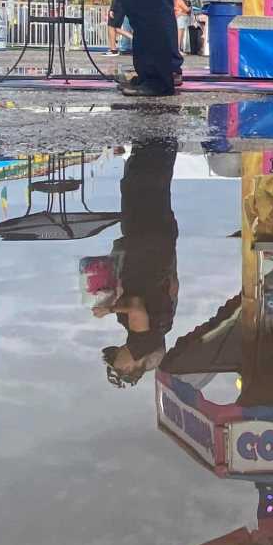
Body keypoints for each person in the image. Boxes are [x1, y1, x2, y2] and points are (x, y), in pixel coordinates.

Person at [94, 140, 181, 385]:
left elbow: (168, 288)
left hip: (158, 248)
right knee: (139, 188)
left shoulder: (158, 331)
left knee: (152, 188)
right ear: (131, 367)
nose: (115, 359)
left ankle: (159, 142)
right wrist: (108, 310)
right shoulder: (141, 343)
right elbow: (137, 307)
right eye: (118, 366)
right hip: (146, 248)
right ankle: (155, 140)